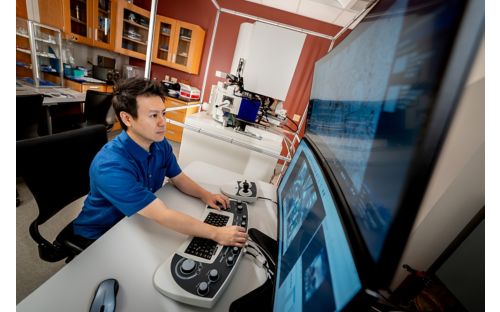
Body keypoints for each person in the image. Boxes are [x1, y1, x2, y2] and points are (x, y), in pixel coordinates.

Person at [72, 78, 248, 249]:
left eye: (163, 113)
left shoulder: (159, 144)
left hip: (136, 220)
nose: (162, 122)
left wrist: (205, 194)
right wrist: (216, 233)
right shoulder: (110, 166)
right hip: (101, 235)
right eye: (153, 116)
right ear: (127, 119)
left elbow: (178, 178)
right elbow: (162, 215)